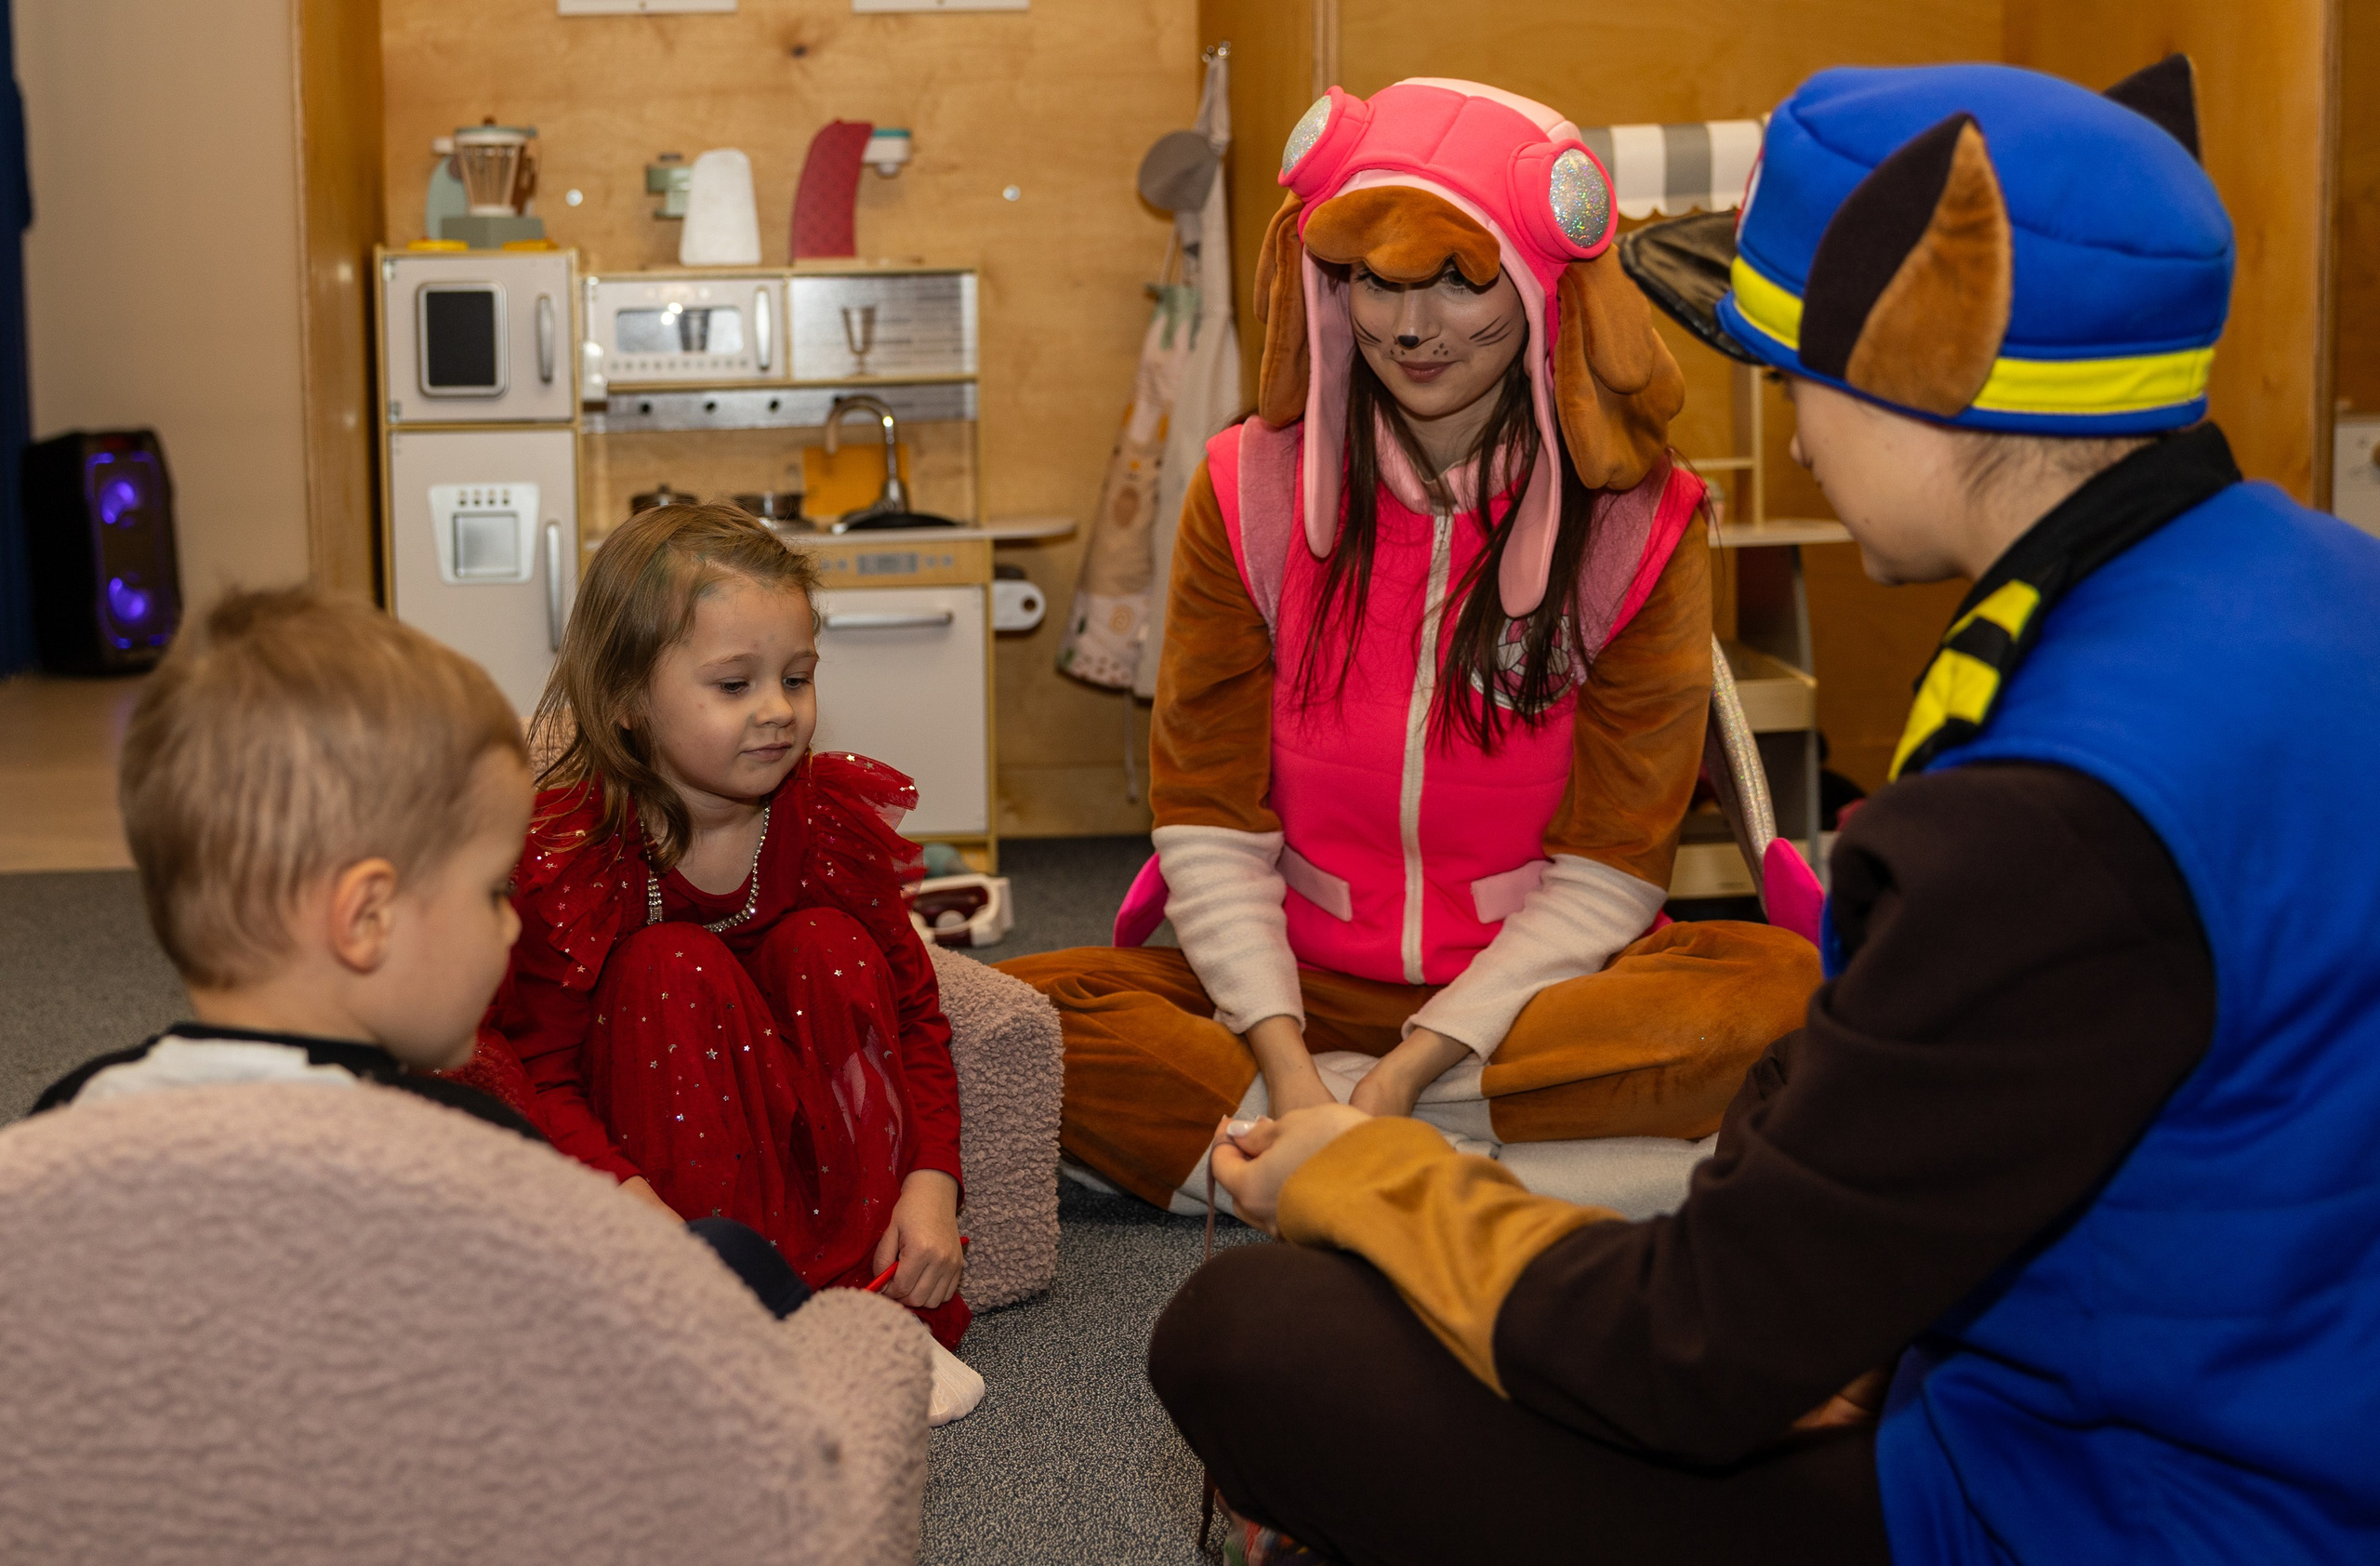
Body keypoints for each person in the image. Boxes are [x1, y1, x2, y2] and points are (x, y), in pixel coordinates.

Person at [1150, 57, 2380, 1564]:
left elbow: (1695, 1346)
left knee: (1252, 1332)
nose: (1794, 432)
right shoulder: (2324, 583)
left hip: (2114, 1503)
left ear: (1914, 359)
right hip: (2247, 1367)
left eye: (1793, 376)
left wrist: (1367, 1170)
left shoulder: (2050, 820)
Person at [1001, 78, 1817, 1215]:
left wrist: (1398, 1075)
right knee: (993, 1017)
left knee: (1779, 994)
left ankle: (1293, 1155)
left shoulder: (1642, 518)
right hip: (1292, 994)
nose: (1409, 325)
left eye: (1454, 279)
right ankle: (1403, 1152)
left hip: (1533, 1004)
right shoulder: (1248, 489)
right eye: (1372, 282)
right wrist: (1293, 1062)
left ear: (1539, 285)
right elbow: (1206, 816)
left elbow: (1614, 864)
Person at [32, 588, 816, 1325]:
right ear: (366, 919)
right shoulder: (462, 1150)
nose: (513, 928)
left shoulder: (74, 1117)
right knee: (729, 1263)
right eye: (488, 892)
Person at [465, 502, 981, 1419]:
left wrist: (931, 1188)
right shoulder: (573, 855)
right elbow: (534, 1069)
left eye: (797, 676)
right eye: (734, 684)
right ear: (627, 698)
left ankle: (861, 1308)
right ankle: (746, 1321)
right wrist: (633, 1207)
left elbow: (913, 1014)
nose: (778, 711)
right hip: (672, 1189)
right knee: (670, 963)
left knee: (829, 944)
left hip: (815, 1147)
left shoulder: (825, 822)